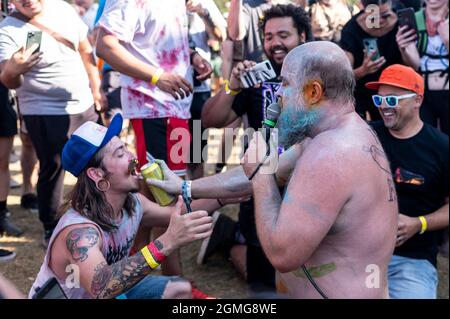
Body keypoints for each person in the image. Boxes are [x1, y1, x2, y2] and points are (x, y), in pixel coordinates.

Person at [148, 41, 398, 298]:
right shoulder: (329, 135)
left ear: (314, 92)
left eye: (286, 84)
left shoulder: (332, 155)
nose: (278, 93)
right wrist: (185, 187)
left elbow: (283, 254)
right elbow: (260, 172)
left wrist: (261, 176)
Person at [29, 113, 219, 299]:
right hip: (100, 291)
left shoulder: (133, 203)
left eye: (126, 148)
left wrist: (227, 194)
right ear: (97, 175)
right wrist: (167, 241)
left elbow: (178, 212)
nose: (133, 157)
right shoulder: (80, 232)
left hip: (109, 292)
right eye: (120, 154)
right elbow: (101, 287)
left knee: (179, 289)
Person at [200, 3, 311, 294]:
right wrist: (233, 85)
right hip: (262, 185)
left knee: (301, 270)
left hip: (308, 182)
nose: (275, 43)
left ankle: (227, 235)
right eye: (269, 36)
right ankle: (233, 239)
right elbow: (211, 120)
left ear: (302, 35)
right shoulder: (256, 77)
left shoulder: (321, 73)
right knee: (264, 283)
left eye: (283, 35)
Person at [0, 0, 106, 247]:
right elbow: (8, 81)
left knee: (100, 159)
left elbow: (84, 48)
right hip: (43, 111)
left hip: (84, 104)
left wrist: (96, 87)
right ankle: (52, 227)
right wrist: (14, 70)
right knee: (54, 167)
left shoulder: (63, 9)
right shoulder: (7, 29)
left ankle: (99, 216)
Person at [365, 64, 449, 299]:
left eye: (392, 100)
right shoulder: (366, 135)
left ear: (417, 100)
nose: (383, 107)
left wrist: (418, 223)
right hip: (361, 254)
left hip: (412, 260)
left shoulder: (441, 148)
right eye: (379, 100)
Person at [340, 0, 403, 121]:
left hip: (394, 91)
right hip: (362, 94)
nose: (380, 20)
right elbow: (344, 77)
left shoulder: (400, 20)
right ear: (363, 8)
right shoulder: (351, 30)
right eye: (373, 17)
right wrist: (363, 70)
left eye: (385, 15)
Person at [395, 0, 448, 134]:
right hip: (423, 91)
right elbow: (415, 64)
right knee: (426, 136)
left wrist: (447, 40)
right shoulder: (414, 19)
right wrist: (403, 49)